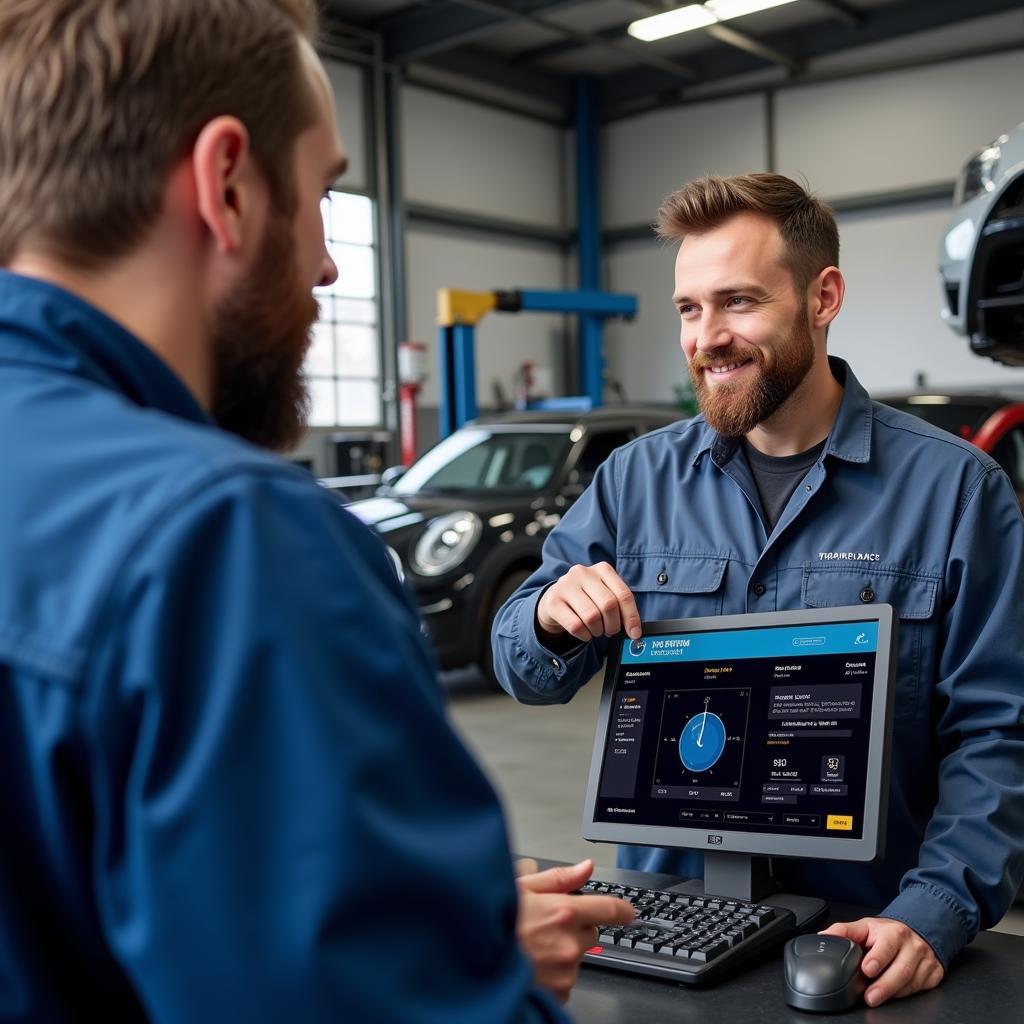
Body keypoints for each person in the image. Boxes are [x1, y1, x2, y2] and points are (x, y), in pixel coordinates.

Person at [0, 1, 633, 1019]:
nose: (330, 265)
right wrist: (470, 964)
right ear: (228, 187)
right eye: (324, 192)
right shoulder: (225, 542)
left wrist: (409, 921)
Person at [492, 172, 1024, 1007]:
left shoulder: (956, 492)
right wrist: (550, 620)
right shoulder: (635, 481)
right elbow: (521, 662)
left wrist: (936, 910)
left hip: (863, 943)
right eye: (688, 309)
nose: (708, 337)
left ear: (824, 297)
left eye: (737, 302)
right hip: (670, 939)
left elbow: (999, 733)